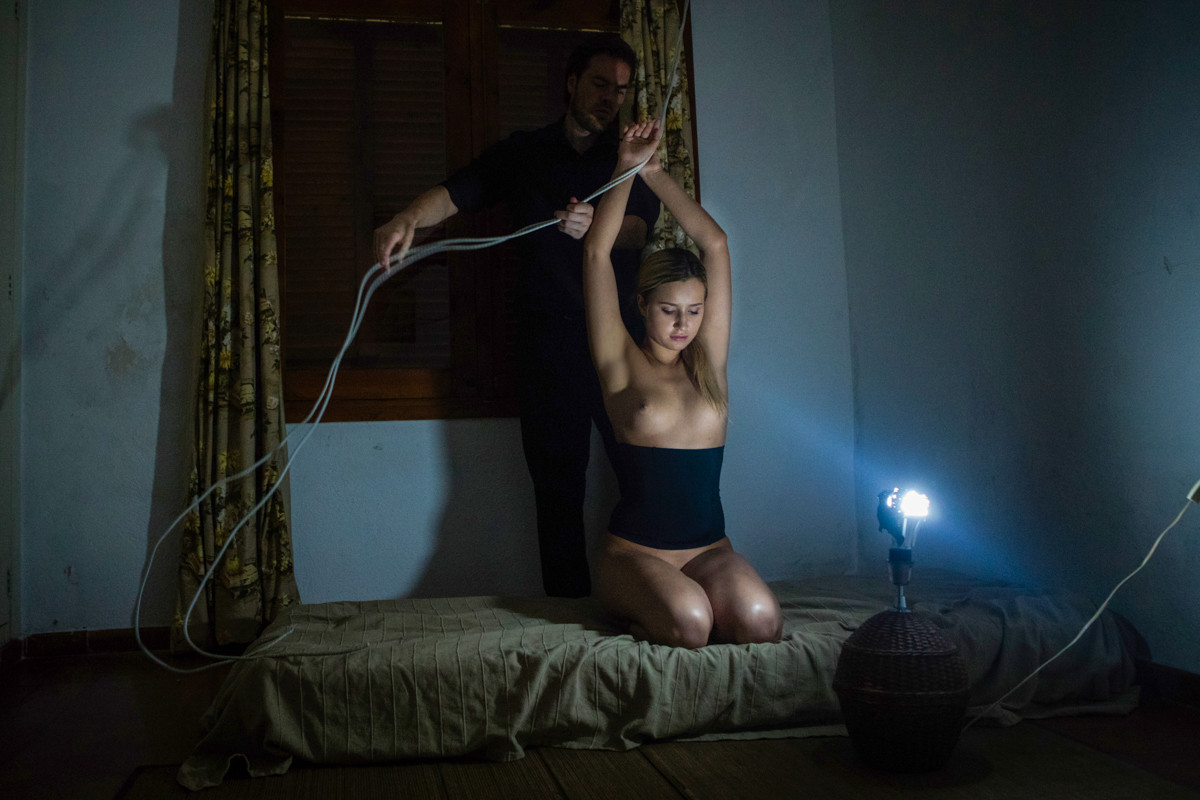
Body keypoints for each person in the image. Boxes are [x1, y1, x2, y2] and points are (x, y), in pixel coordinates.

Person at [373, 35, 660, 598]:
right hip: (546, 349)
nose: (610, 99)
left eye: (621, 90)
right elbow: (457, 192)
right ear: (572, 83)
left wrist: (596, 226)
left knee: (645, 479)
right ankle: (568, 619)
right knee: (557, 490)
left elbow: (640, 230)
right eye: (600, 84)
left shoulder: (627, 156)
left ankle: (651, 599)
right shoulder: (525, 152)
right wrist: (407, 218)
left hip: (619, 347)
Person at [582, 119, 782, 648]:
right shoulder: (620, 361)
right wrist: (625, 167)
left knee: (761, 622)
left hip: (709, 551)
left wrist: (655, 172)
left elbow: (715, 244)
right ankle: (638, 607)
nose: (683, 324)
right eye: (669, 309)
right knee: (691, 625)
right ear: (642, 304)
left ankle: (684, 599)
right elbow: (597, 253)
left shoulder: (707, 363)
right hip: (635, 553)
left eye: (695, 311)